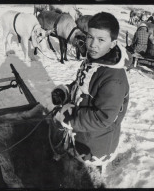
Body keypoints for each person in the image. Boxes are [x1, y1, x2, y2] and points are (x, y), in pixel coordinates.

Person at [51, 12, 130, 166]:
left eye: (101, 39)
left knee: (85, 178)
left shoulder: (113, 78)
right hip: (81, 133)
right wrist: (66, 91)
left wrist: (70, 117)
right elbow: (81, 86)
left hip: (95, 145)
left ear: (113, 43)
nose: (93, 44)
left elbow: (103, 118)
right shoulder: (94, 60)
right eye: (90, 37)